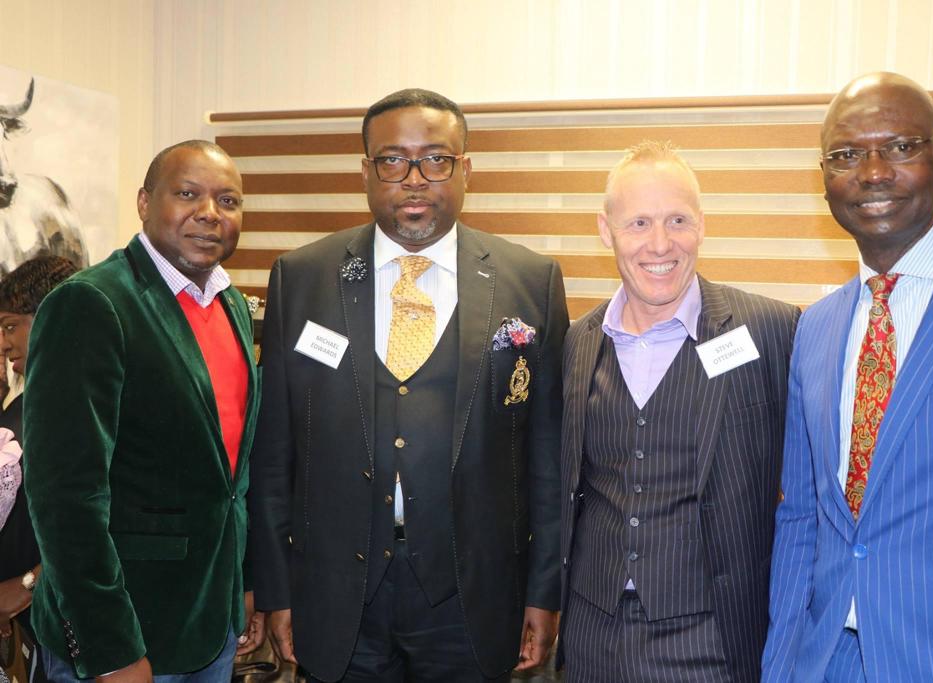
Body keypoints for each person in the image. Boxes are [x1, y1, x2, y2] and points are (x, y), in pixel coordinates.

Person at [249, 88, 568, 682]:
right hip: (336, 596)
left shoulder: (531, 281)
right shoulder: (303, 277)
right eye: (393, 160)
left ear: (466, 169)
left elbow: (546, 460)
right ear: (366, 172)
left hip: (472, 599)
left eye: (436, 159)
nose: (415, 179)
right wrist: (275, 588)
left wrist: (543, 590)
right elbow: (274, 454)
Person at [762, 72, 933, 682]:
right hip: (830, 661)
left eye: (901, 147)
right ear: (824, 177)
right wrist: (781, 667)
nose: (873, 172)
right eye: (847, 155)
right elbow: (802, 519)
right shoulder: (816, 328)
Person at [558, 141, 800, 682]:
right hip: (592, 634)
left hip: (712, 639)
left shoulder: (772, 331)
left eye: (677, 220)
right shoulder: (577, 342)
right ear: (606, 231)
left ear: (702, 225)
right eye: (639, 223)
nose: (660, 244)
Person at [22, 140, 264, 681]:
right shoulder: (92, 303)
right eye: (187, 194)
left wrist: (241, 586)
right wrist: (109, 649)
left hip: (211, 626)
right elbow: (65, 497)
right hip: (126, 636)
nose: (209, 213)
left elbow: (231, 476)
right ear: (144, 202)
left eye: (227, 200)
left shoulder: (230, 303)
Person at [0, 256, 77, 682]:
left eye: (11, 326)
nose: (4, 343)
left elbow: (106, 519)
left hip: (65, 629)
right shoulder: (26, 404)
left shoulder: (84, 408)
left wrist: (27, 585)